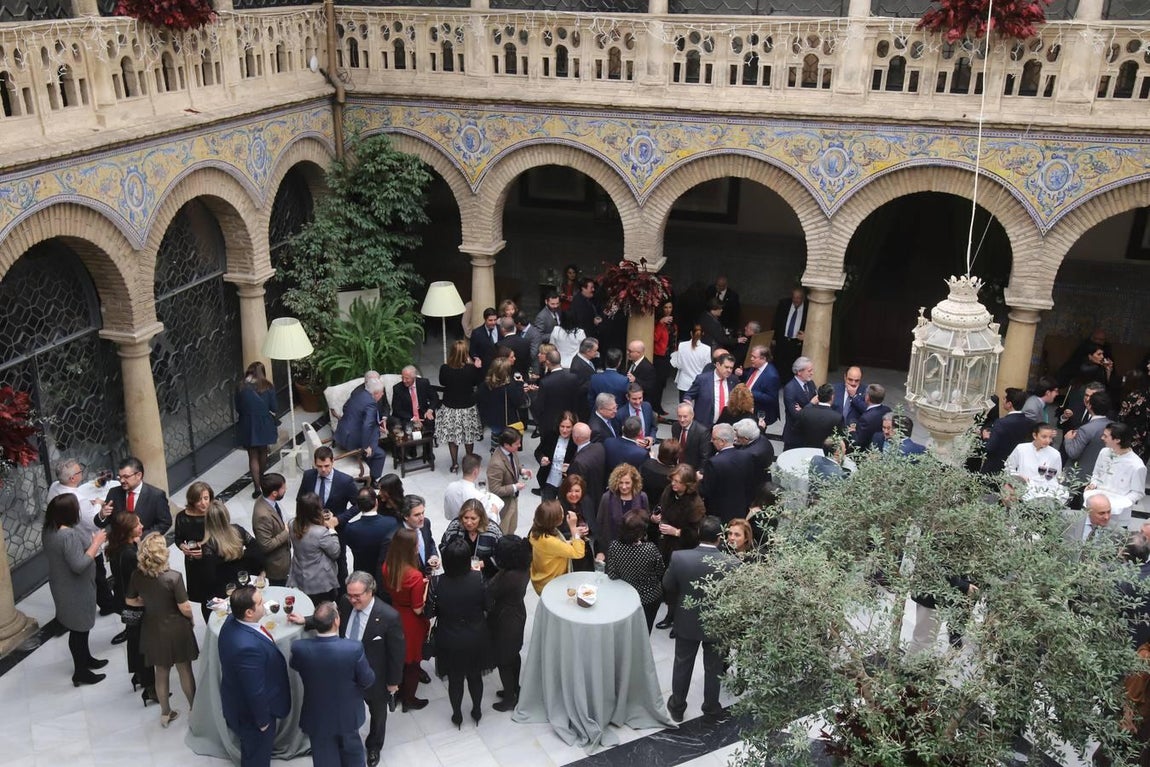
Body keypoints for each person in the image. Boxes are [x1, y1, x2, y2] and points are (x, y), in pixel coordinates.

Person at [663, 516, 739, 722]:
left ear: (698, 533)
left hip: (687, 621)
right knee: (714, 667)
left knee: (682, 664)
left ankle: (677, 707)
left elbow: (668, 585)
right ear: (720, 538)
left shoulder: (679, 557)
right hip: (717, 623)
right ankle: (711, 706)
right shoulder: (733, 564)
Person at [288, 601, 375, 767]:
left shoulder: (300, 648)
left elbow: (295, 665)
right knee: (353, 755)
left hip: (317, 715)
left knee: (323, 757)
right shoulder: (353, 648)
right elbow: (367, 680)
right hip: (347, 714)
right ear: (337, 621)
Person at [126, 531, 198, 727]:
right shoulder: (173, 578)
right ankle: (194, 708)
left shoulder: (137, 576)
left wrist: (148, 603)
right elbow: (185, 607)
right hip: (176, 628)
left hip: (153, 628)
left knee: (161, 672)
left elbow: (130, 600)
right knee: (184, 669)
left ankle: (165, 713)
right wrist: (191, 619)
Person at [218, 585, 291, 767]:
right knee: (257, 756)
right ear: (249, 613)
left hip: (236, 700)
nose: (265, 604)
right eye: (260, 603)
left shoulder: (231, 621)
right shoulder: (247, 648)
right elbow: (254, 690)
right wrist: (263, 721)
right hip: (253, 715)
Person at [339, 572, 404, 767]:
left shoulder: (389, 616)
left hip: (374, 677)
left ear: (370, 591)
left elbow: (396, 654)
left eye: (357, 596)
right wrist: (306, 620)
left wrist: (393, 682)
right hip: (346, 673)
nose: (352, 599)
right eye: (350, 595)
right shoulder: (344, 602)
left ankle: (374, 745)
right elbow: (330, 619)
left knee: (377, 714)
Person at [43, 493, 108, 686]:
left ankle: (86, 660)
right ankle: (80, 672)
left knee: (80, 629)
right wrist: (96, 543)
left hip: (63, 586)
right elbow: (78, 565)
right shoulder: (67, 535)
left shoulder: (49, 528)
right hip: (75, 589)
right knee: (80, 630)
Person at [435, 538, 491, 728]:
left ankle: (457, 714)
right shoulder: (478, 579)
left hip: (449, 638)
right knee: (475, 677)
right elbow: (488, 605)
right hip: (476, 636)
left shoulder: (437, 582)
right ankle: (476, 709)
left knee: (455, 680)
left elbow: (430, 612)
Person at [48, 458, 114, 614]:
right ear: (72, 478)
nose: (81, 472)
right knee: (98, 575)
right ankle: (106, 605)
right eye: (79, 471)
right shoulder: (79, 500)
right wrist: (98, 504)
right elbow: (93, 523)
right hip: (84, 542)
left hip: (63, 539)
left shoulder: (54, 488)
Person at [382, 527, 431, 711]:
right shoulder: (415, 576)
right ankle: (409, 699)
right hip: (411, 621)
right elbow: (418, 609)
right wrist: (425, 589)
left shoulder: (387, 566)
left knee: (399, 659)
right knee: (412, 664)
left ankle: (399, 691)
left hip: (395, 612)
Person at [106, 511, 154, 700]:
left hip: (124, 600)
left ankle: (139, 675)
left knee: (134, 639)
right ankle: (150, 686)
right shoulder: (130, 555)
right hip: (135, 603)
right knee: (144, 643)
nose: (141, 526)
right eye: (137, 524)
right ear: (127, 530)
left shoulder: (117, 549)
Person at [298, 446, 358, 588]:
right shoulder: (308, 476)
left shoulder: (345, 481)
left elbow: (358, 505)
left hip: (336, 530)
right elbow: (300, 500)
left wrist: (338, 519)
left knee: (340, 564)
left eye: (326, 466)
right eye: (319, 466)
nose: (323, 470)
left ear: (333, 462)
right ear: (314, 464)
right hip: (312, 529)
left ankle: (342, 595)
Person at [487, 535, 532, 712]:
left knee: (503, 660)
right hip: (517, 614)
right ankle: (515, 688)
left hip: (505, 620)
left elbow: (490, 592)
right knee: (513, 655)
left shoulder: (508, 577)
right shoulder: (522, 568)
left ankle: (508, 698)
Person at [606, 510, 666, 632]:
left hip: (624, 596)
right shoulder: (650, 549)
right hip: (649, 597)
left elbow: (611, 574)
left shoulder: (614, 546)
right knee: (645, 630)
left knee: (625, 631)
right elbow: (660, 571)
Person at [200, 499, 262, 604]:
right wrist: (243, 557)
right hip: (243, 582)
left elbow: (209, 575)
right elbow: (256, 549)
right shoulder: (238, 530)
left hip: (224, 591)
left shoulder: (208, 545)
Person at [96, 456, 172, 539]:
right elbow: (101, 523)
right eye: (120, 477)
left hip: (144, 547)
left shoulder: (156, 496)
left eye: (126, 477)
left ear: (139, 475)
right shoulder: (114, 493)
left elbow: (165, 523)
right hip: (120, 547)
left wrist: (142, 537)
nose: (122, 480)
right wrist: (102, 514)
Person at [235, 361, 279, 499]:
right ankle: (262, 478)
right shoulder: (268, 387)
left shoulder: (241, 387)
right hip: (264, 423)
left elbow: (237, 407)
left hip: (247, 424)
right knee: (263, 451)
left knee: (252, 455)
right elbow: (274, 408)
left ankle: (256, 488)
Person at [333, 376, 388, 482]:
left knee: (374, 440)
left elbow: (349, 410)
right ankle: (373, 480)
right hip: (352, 441)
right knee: (380, 454)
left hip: (342, 434)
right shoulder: (371, 403)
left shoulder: (358, 394)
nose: (383, 394)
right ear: (376, 394)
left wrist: (376, 427)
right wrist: (366, 446)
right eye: (382, 392)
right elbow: (367, 425)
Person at [1085, 422, 1147, 514]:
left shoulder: (1136, 465)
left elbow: (1138, 493)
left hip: (1118, 513)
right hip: (1095, 507)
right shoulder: (1104, 452)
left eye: (1105, 436)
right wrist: (1093, 484)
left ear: (1117, 440)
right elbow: (1096, 474)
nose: (1102, 438)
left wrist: (1117, 504)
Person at [290, 492, 341, 604]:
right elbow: (335, 552)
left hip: (300, 574)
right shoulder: (321, 532)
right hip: (320, 581)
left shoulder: (292, 524)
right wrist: (332, 529)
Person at [700, 423, 756, 522]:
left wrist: (700, 479)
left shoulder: (714, 462)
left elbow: (706, 490)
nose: (711, 441)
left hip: (718, 513)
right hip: (740, 509)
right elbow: (750, 483)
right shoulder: (746, 456)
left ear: (722, 441)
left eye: (713, 439)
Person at [529, 500, 587, 594]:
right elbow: (578, 553)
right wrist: (573, 529)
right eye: (561, 514)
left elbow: (556, 547)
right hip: (550, 584)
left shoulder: (535, 532)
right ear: (554, 521)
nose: (563, 515)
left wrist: (573, 539)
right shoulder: (550, 542)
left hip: (540, 577)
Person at [595, 463, 650, 558]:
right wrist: (600, 550)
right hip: (613, 550)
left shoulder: (642, 497)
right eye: (621, 483)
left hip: (636, 551)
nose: (624, 487)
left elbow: (646, 524)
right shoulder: (607, 498)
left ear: (634, 482)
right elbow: (600, 525)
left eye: (627, 483)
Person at [441, 498, 504, 575]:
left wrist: (483, 563)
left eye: (473, 518)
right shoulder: (455, 526)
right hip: (459, 576)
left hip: (485, 578)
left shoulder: (493, 531)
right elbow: (443, 546)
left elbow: (502, 556)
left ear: (481, 518)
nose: (469, 522)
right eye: (466, 518)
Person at [979, 387, 1034, 475]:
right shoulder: (1030, 423)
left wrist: (985, 437)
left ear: (1009, 404)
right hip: (1016, 467)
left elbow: (990, 447)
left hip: (995, 467)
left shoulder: (1001, 423)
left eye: (1005, 398)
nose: (1003, 400)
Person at [344, 487, 398, 576]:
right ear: (376, 502)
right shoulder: (392, 523)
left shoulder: (350, 529)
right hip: (386, 572)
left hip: (363, 573)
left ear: (359, 506)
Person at [476, 357, 527, 449]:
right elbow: (520, 402)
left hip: (492, 420)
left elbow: (479, 401)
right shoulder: (509, 387)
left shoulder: (484, 385)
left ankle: (495, 459)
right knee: (509, 446)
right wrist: (520, 385)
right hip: (508, 421)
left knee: (496, 442)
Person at [1005, 423, 1065, 501]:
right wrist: (1018, 477)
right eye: (1044, 437)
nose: (1048, 440)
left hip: (1044, 494)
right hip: (1021, 490)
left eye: (1050, 437)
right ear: (1034, 435)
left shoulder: (1055, 454)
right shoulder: (1021, 448)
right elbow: (1008, 468)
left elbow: (1056, 477)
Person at [532, 349, 582, 440]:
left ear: (547, 362)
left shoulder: (545, 382)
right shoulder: (573, 378)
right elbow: (576, 400)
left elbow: (539, 406)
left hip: (549, 422)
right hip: (568, 420)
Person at [252, 472, 291, 587]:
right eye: (283, 488)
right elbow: (266, 545)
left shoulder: (266, 500)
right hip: (276, 566)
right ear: (274, 493)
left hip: (283, 560)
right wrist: (286, 533)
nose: (286, 489)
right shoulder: (262, 515)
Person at [1062, 389, 1113, 478]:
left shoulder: (1085, 429)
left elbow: (1073, 453)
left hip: (1078, 476)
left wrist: (1068, 439)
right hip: (1101, 475)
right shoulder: (1113, 426)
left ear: (1089, 406)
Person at [488, 429, 530, 534]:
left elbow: (514, 464)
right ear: (506, 445)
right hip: (504, 505)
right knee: (504, 532)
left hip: (513, 499)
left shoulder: (511, 452)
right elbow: (494, 489)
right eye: (516, 444)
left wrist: (522, 470)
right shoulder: (496, 464)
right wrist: (515, 487)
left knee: (512, 528)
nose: (519, 446)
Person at [444, 453, 503, 521]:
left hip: (454, 527)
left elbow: (447, 515)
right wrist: (494, 512)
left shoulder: (450, 487)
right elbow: (489, 523)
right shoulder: (478, 497)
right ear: (476, 471)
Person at [686, 351, 736, 430]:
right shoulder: (702, 379)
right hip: (703, 425)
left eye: (731, 368)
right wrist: (687, 402)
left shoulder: (733, 380)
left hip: (724, 426)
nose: (729, 370)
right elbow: (689, 395)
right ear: (717, 365)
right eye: (726, 367)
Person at [535, 411, 578, 500]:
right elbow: (538, 451)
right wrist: (541, 458)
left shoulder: (576, 440)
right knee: (548, 510)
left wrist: (571, 467)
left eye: (568, 427)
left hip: (567, 483)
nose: (564, 430)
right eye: (562, 426)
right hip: (548, 479)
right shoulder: (550, 436)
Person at [781, 356, 819, 450]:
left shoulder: (811, 384)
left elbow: (817, 408)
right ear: (799, 372)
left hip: (808, 434)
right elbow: (796, 415)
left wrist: (804, 409)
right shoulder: (790, 389)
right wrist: (811, 403)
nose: (812, 373)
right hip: (794, 435)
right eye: (809, 371)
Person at [793, 383, 846, 449]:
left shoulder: (805, 412)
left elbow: (796, 431)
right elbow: (841, 439)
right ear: (832, 397)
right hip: (826, 453)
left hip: (806, 450)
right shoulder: (837, 417)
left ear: (817, 396)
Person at [568, 421, 607, 510]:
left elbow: (576, 486)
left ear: (575, 438)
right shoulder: (599, 447)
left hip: (586, 505)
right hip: (599, 496)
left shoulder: (578, 463)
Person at [1118, 353, 1150, 461]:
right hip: (1143, 432)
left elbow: (1121, 417)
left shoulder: (1131, 398)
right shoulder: (1146, 393)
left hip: (1130, 434)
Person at [772, 287, 808, 383]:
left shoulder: (808, 308)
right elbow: (776, 321)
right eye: (794, 297)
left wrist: (806, 336)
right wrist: (774, 337)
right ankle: (777, 383)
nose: (796, 300)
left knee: (793, 366)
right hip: (783, 340)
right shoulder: (784, 304)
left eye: (798, 298)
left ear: (803, 298)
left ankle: (789, 385)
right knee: (779, 363)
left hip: (796, 342)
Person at [742, 345, 781, 426]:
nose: (751, 359)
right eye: (751, 356)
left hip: (759, 413)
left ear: (763, 358)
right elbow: (752, 379)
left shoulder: (771, 376)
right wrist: (742, 374)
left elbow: (771, 398)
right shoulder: (755, 366)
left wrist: (751, 393)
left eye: (754, 357)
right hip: (747, 409)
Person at [652, 300, 678, 416]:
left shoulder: (673, 324)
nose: (668, 310)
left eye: (670, 307)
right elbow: (655, 338)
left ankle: (657, 405)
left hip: (669, 356)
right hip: (659, 356)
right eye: (666, 307)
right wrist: (661, 323)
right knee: (658, 382)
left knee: (663, 382)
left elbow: (674, 340)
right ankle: (656, 406)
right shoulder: (657, 322)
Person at [673, 325, 711, 402]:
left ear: (691, 333)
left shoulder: (682, 345)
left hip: (684, 382)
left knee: (683, 409)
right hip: (699, 383)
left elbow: (679, 364)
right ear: (703, 334)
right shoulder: (707, 349)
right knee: (698, 410)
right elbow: (707, 368)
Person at [641, 439, 680, 511]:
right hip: (663, 509)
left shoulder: (647, 464)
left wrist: (652, 459)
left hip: (644, 505)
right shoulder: (675, 475)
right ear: (676, 457)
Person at [672, 401, 713, 470]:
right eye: (679, 416)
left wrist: (700, 472)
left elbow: (705, 456)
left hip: (692, 470)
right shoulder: (675, 426)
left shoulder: (702, 432)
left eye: (685, 416)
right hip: (677, 466)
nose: (682, 420)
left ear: (692, 415)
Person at [853, 384, 892, 450]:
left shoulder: (865, 418)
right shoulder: (887, 410)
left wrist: (852, 431)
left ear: (867, 397)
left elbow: (859, 441)